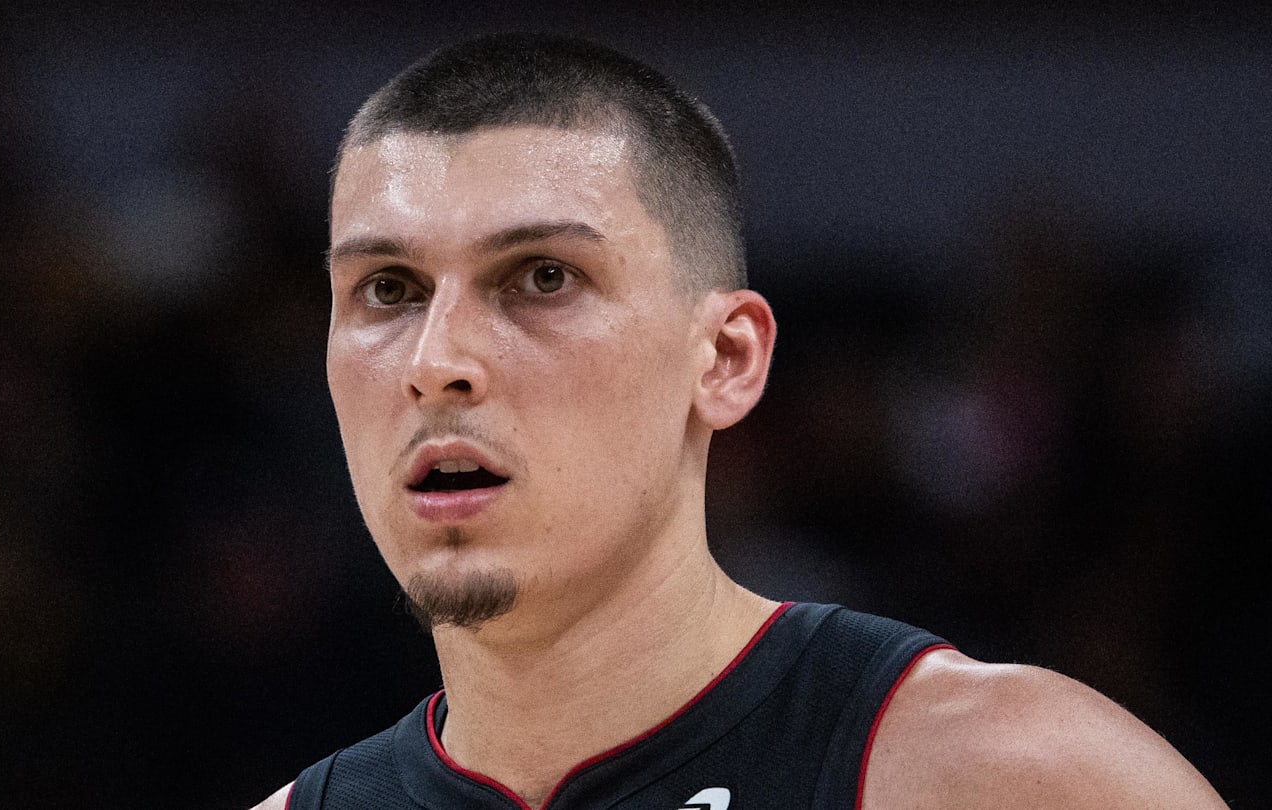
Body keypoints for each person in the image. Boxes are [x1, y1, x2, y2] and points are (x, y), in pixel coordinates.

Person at [253, 32, 1227, 810]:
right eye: (388, 288)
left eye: (543, 277)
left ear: (724, 359)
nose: (438, 363)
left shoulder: (1006, 775)